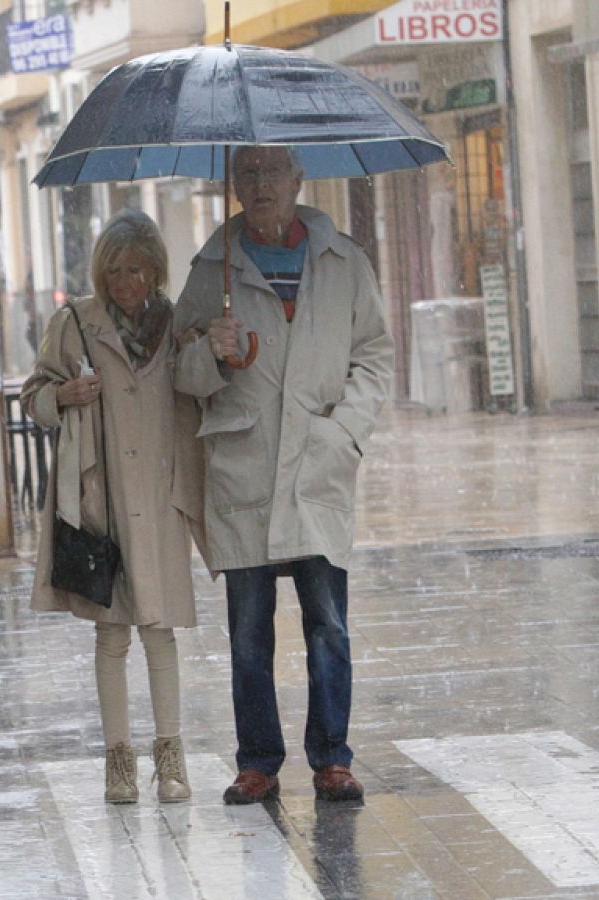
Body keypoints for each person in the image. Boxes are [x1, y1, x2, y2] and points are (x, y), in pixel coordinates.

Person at [174, 146, 393, 805]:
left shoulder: (342, 260)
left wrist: (346, 429)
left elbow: (375, 353)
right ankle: (258, 761)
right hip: (244, 462)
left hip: (318, 460)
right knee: (248, 628)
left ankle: (332, 757)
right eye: (248, 172)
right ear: (233, 183)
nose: (261, 183)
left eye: (274, 171)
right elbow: (179, 373)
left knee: (328, 621)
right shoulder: (211, 268)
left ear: (299, 179)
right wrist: (211, 355)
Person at [23, 209, 206, 804]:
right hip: (101, 498)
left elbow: (200, 392)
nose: (124, 281)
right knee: (111, 635)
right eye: (114, 269)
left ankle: (171, 761)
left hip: (158, 497)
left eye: (135, 269)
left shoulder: (177, 324)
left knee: (160, 631)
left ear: (155, 269)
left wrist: (219, 349)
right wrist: (62, 394)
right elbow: (33, 396)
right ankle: (118, 762)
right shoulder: (75, 322)